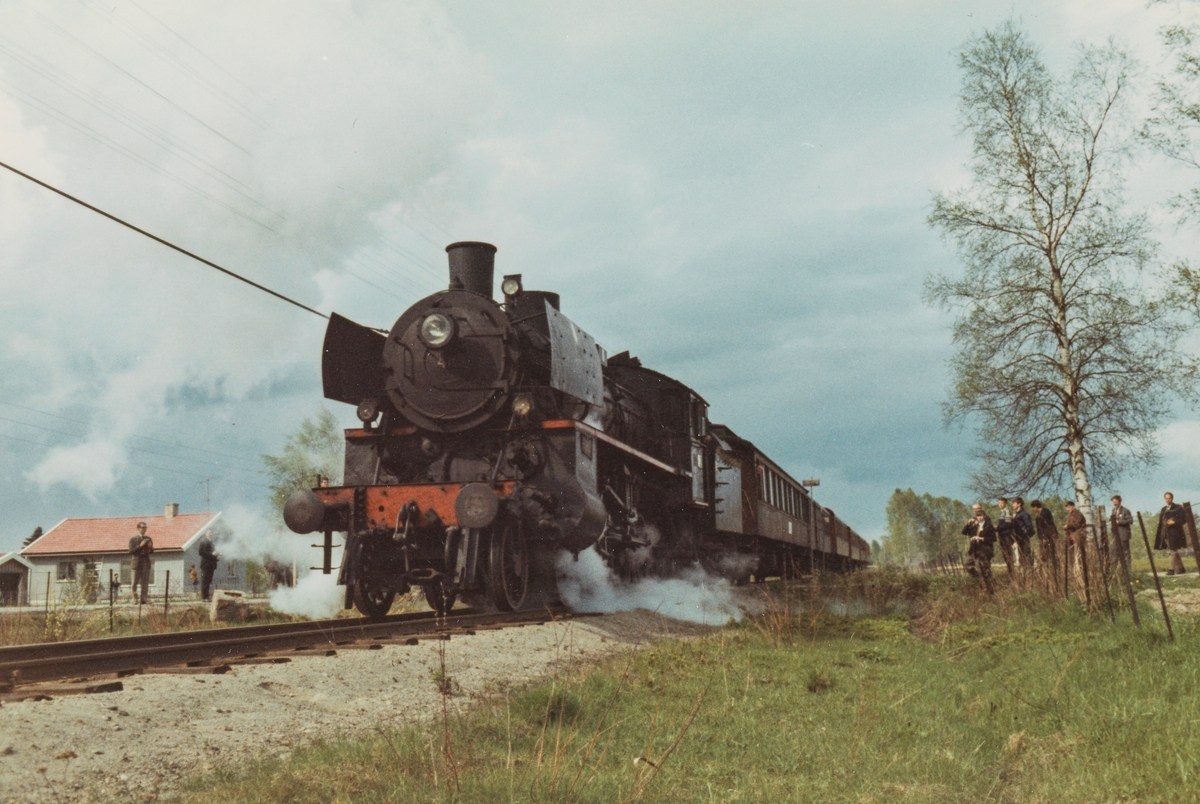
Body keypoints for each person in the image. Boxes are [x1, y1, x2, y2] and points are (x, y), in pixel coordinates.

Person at [962, 504, 996, 595]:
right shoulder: (975, 525)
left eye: (980, 515)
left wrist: (980, 538)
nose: (979, 517)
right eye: (977, 516)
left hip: (984, 551)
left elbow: (993, 539)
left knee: (985, 571)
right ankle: (980, 579)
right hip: (974, 550)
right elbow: (964, 532)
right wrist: (968, 523)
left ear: (984, 516)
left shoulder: (988, 525)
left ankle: (988, 591)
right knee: (967, 565)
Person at [1030, 500, 1060, 592]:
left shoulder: (1045, 512)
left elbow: (1048, 526)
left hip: (1048, 539)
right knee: (1043, 557)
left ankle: (1054, 573)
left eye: (1033, 507)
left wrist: (1045, 537)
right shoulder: (1038, 517)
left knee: (1050, 555)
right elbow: (1040, 529)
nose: (1033, 509)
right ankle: (1046, 574)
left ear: (1036, 506)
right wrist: (1041, 537)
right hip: (1043, 539)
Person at [1155, 492, 1188, 576]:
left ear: (1172, 498)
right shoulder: (1163, 509)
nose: (1167, 500)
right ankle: (1181, 568)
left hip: (1174, 533)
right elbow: (1161, 521)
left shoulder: (1178, 508)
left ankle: (1171, 569)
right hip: (1165, 533)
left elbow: (1183, 519)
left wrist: (1174, 522)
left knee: (1172, 551)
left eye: (1169, 498)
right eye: (1166, 498)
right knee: (1173, 550)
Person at [128, 521, 154, 604]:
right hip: (136, 563)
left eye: (145, 527)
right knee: (134, 583)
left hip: (145, 563)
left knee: (145, 582)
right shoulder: (133, 539)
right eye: (142, 527)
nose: (144, 529)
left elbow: (152, 551)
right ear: (138, 529)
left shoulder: (148, 539)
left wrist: (150, 548)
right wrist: (140, 545)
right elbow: (131, 551)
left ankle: (144, 599)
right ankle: (135, 599)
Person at [1109, 495, 1134, 574]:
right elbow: (1111, 519)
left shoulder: (1125, 510)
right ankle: (1115, 571)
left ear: (1119, 501)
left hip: (1123, 535)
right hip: (1115, 535)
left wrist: (1119, 522)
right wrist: (1111, 521)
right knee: (1114, 552)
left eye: (1115, 502)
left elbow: (1130, 520)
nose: (1114, 503)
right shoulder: (1113, 510)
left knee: (1125, 553)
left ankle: (1127, 571)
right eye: (1113, 502)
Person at [1011, 497, 1035, 571]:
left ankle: (1028, 572)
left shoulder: (1024, 514)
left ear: (1019, 504)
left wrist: (1023, 536)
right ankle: (1023, 573)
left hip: (1023, 539)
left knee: (1026, 555)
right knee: (1021, 556)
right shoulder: (1017, 514)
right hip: (1018, 539)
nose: (1013, 505)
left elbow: (1029, 526)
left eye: (1014, 503)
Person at [995, 497, 1016, 574]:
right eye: (999, 503)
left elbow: (1008, 524)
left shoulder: (1007, 512)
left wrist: (997, 527)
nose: (999, 504)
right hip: (1002, 536)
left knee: (1008, 556)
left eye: (1001, 503)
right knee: (1005, 556)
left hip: (1006, 537)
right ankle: (1010, 573)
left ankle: (1012, 574)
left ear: (1005, 504)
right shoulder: (1001, 512)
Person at [198, 529, 220, 601]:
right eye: (209, 533)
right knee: (205, 581)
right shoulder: (203, 542)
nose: (211, 534)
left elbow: (212, 554)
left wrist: (217, 556)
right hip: (206, 565)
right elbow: (201, 552)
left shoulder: (212, 542)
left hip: (211, 565)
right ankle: (204, 597)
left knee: (209, 581)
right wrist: (211, 554)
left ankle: (207, 597)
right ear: (206, 534)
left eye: (211, 532)